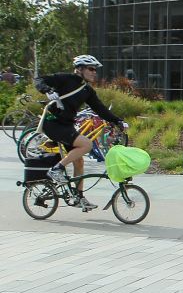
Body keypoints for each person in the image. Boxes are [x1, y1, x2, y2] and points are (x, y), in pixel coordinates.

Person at [35, 55, 128, 210]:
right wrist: (48, 89)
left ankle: (78, 197)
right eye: (91, 69)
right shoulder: (65, 79)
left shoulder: (87, 90)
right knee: (87, 144)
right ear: (79, 69)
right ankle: (56, 169)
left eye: (95, 70)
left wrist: (117, 121)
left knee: (79, 161)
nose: (94, 72)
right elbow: (39, 80)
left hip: (66, 125)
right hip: (53, 124)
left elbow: (100, 109)